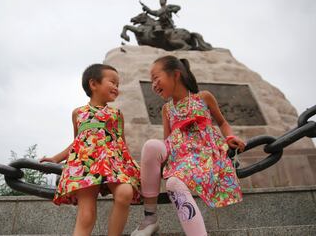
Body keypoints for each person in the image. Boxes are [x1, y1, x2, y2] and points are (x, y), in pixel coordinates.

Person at [131, 55, 245, 236]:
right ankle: (150, 218)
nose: (153, 84)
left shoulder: (203, 97)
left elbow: (222, 122)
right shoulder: (167, 109)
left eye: (155, 78)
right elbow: (167, 140)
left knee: (173, 184)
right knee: (152, 146)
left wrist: (229, 136)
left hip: (203, 153)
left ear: (175, 75)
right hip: (179, 153)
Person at [40, 64, 140, 236]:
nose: (116, 87)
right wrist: (56, 158)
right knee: (86, 214)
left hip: (113, 163)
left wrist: (133, 166)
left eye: (118, 84)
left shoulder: (117, 114)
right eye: (113, 82)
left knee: (125, 192)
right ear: (93, 84)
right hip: (86, 165)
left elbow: (122, 143)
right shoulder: (78, 113)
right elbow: (78, 142)